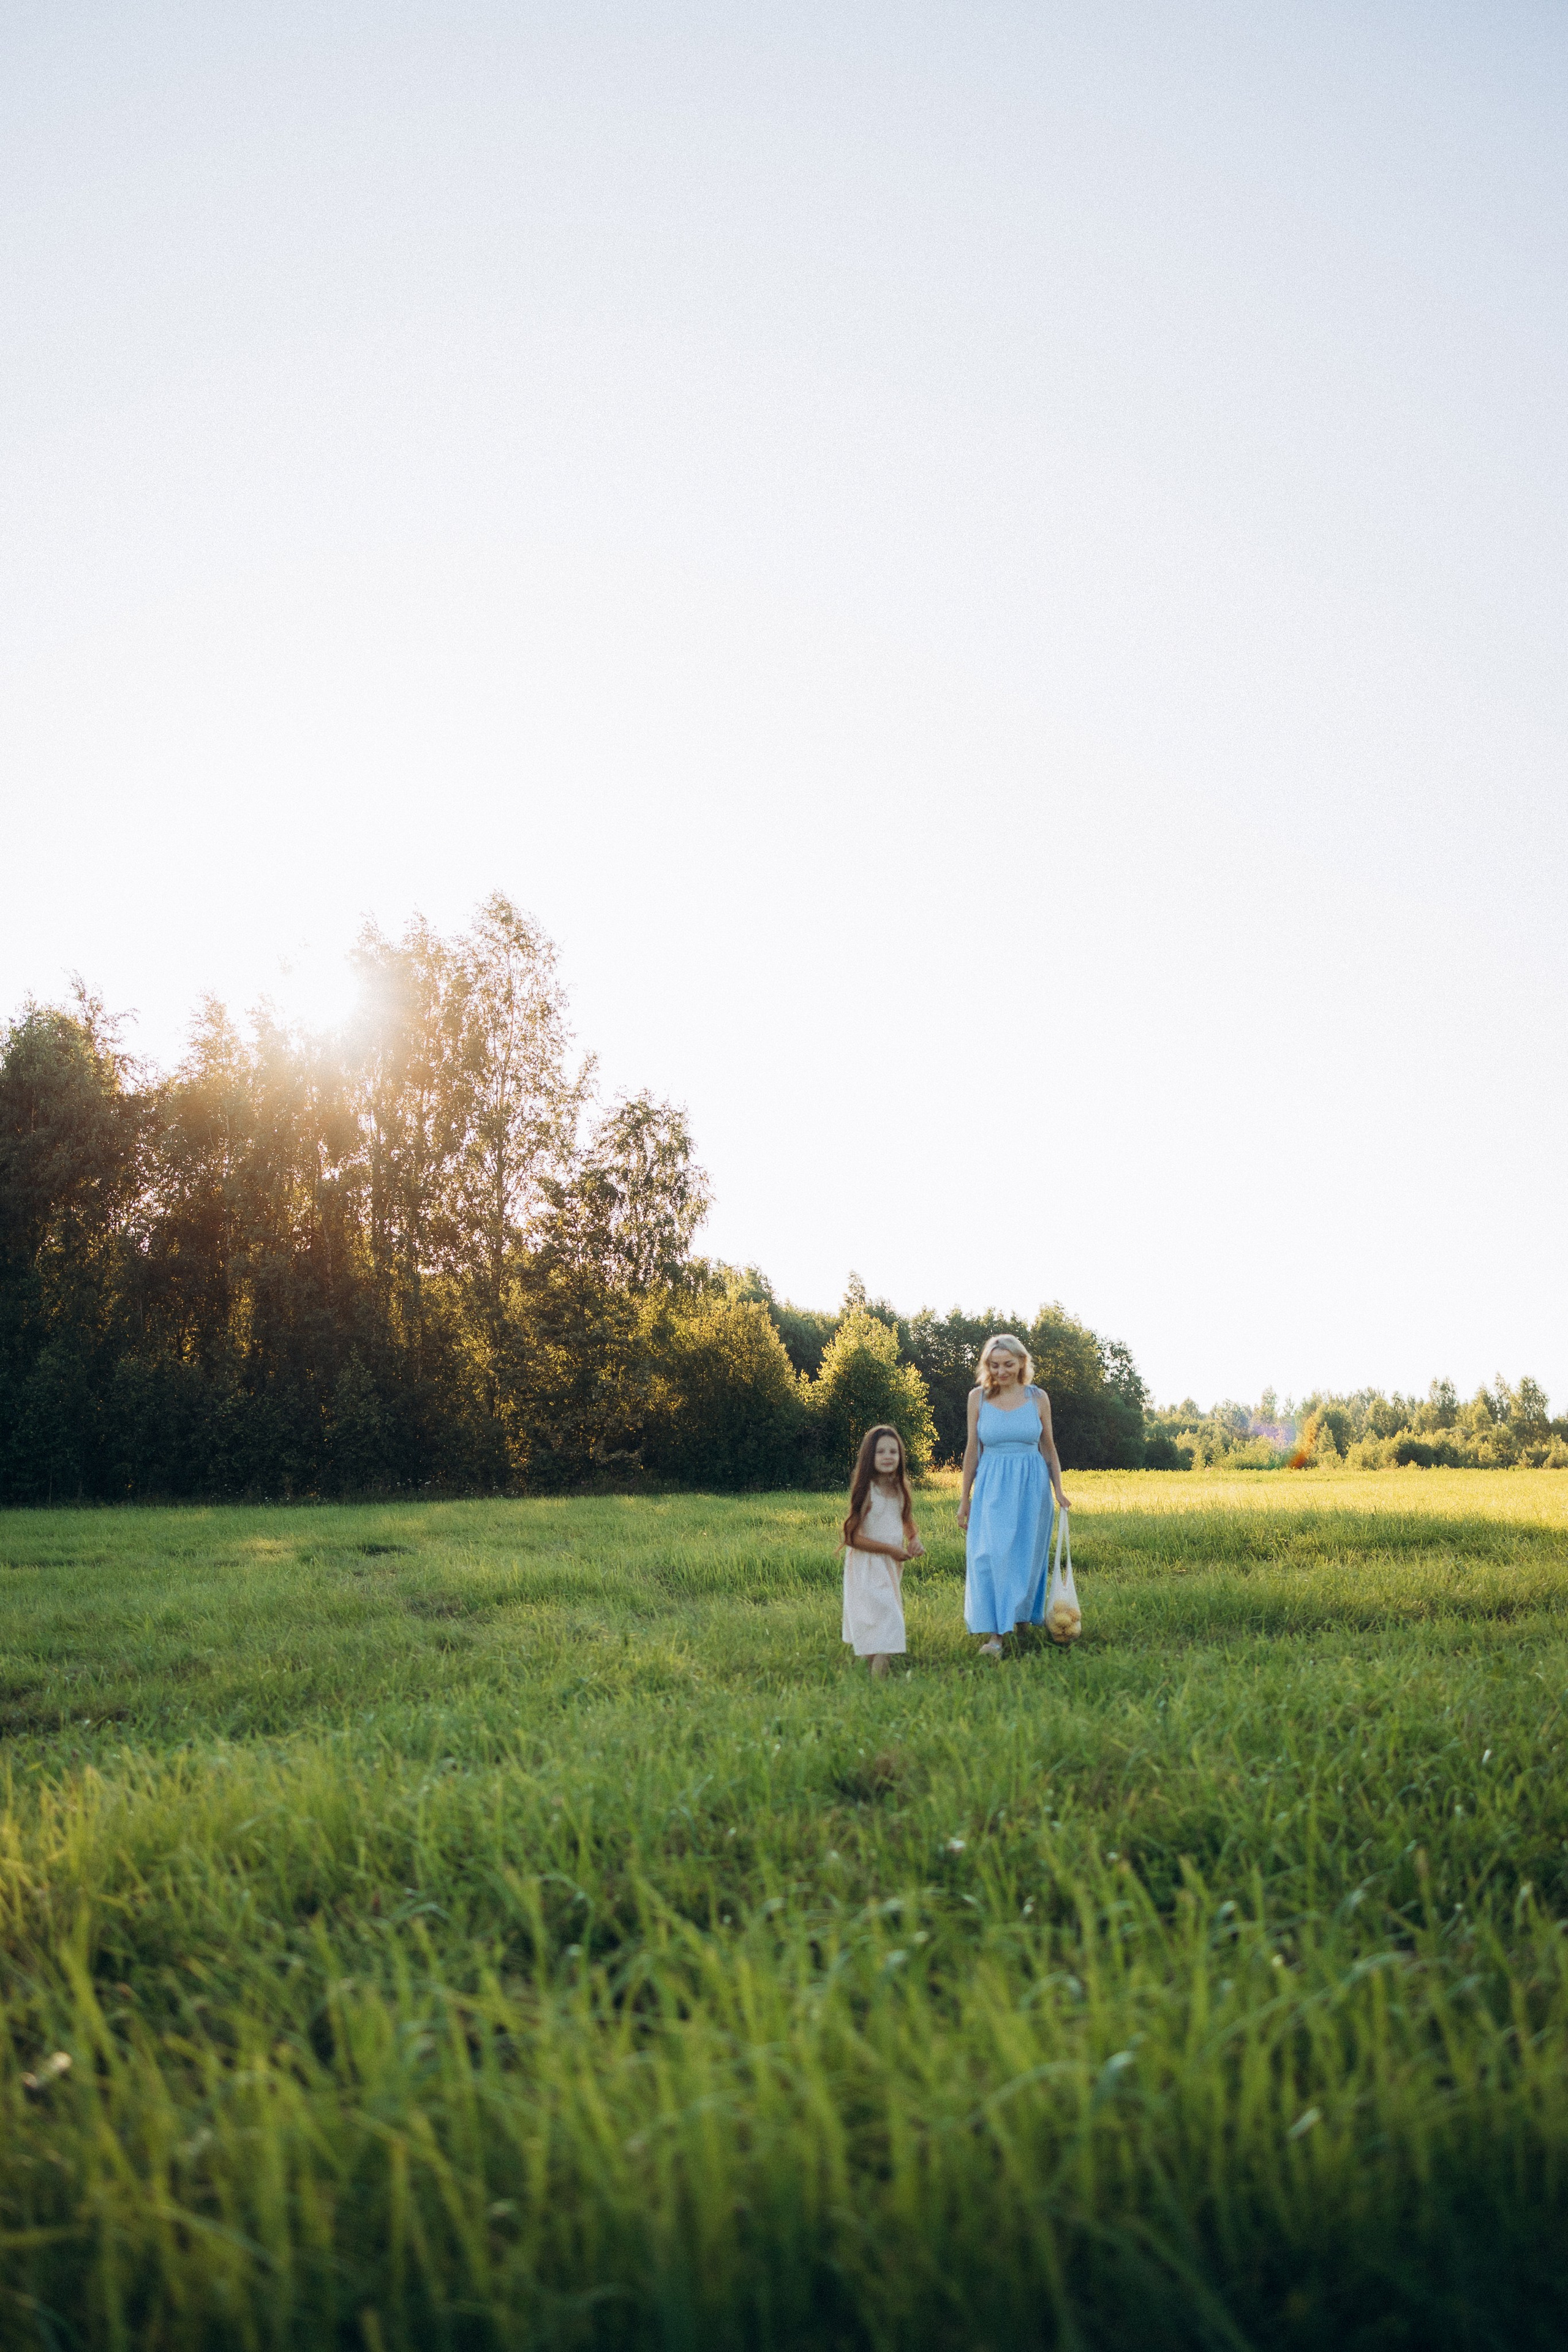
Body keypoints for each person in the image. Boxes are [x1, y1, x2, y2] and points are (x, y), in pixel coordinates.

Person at [956, 1333, 1071, 1658]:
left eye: (1008, 1364)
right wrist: (965, 1498)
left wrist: (1058, 1490)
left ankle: (1020, 1622)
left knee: (1026, 1556)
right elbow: (972, 1451)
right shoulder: (977, 1398)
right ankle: (996, 1634)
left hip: (1032, 1485)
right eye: (994, 1365)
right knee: (992, 1556)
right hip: (992, 1485)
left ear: (1022, 1362)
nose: (1001, 1371)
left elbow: (1048, 1447)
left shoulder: (1038, 1398)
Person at [841, 1424, 925, 1678]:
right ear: (870, 1457)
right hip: (867, 1566)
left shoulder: (900, 1489)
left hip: (888, 1567)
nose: (888, 1457)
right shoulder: (868, 1492)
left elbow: (908, 1523)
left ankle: (869, 1672)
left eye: (893, 1451)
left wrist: (914, 1540)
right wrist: (890, 1549)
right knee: (888, 1619)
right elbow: (851, 1537)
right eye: (881, 1452)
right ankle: (879, 1681)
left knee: (882, 1618)